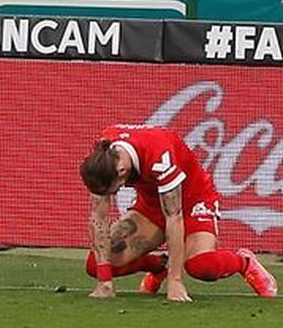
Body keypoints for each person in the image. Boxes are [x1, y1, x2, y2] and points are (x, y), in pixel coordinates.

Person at [80, 125, 276, 301]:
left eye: (115, 189)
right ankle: (159, 265)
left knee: (202, 266)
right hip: (151, 206)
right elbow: (99, 216)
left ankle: (244, 262)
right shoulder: (103, 157)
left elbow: (174, 217)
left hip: (193, 202)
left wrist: (175, 281)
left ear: (122, 170)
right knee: (96, 264)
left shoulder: (158, 155)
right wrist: (104, 282)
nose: (116, 192)